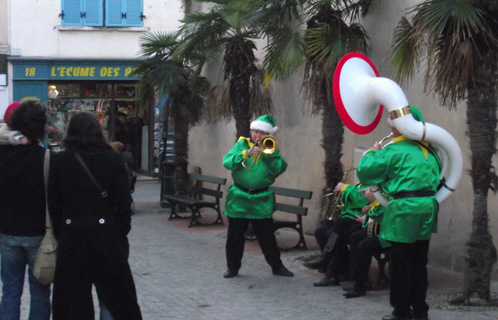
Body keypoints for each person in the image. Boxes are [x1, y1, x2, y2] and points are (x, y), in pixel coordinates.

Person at [47, 111, 142, 320]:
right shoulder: (113, 160)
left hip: (72, 237)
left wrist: (61, 231)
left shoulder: (60, 161)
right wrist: (118, 232)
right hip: (106, 235)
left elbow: (54, 202)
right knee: (116, 298)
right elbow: (124, 202)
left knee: (73, 303)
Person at [357, 106, 441, 320]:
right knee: (419, 262)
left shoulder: (393, 150)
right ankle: (421, 310)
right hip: (427, 209)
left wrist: (374, 152)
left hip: (404, 210)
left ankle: (401, 311)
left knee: (400, 263)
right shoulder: (430, 151)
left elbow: (365, 172)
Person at [222, 114, 293, 278]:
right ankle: (232, 268)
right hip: (239, 197)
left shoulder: (271, 148)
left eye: (262, 133)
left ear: (268, 135)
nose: (258, 136)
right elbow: (227, 162)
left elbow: (279, 169)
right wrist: (246, 154)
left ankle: (277, 266)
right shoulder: (241, 144)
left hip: (261, 198)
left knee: (266, 235)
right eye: (256, 132)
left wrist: (269, 155)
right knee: (235, 235)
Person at [0, 100, 51, 320]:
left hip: (8, 229)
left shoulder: (2, 155)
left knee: (10, 290)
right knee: (40, 290)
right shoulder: (46, 158)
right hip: (37, 233)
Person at [310, 183, 369, 287]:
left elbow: (361, 199)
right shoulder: (359, 184)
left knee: (335, 232)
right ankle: (340, 268)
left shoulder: (375, 182)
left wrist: (345, 188)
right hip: (347, 218)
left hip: (359, 220)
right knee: (320, 232)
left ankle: (330, 270)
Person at [343, 187, 391, 299]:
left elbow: (384, 213)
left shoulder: (390, 192)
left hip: (389, 235)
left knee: (365, 245)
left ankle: (360, 286)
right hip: (381, 231)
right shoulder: (383, 189)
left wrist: (370, 211)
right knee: (355, 237)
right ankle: (359, 279)